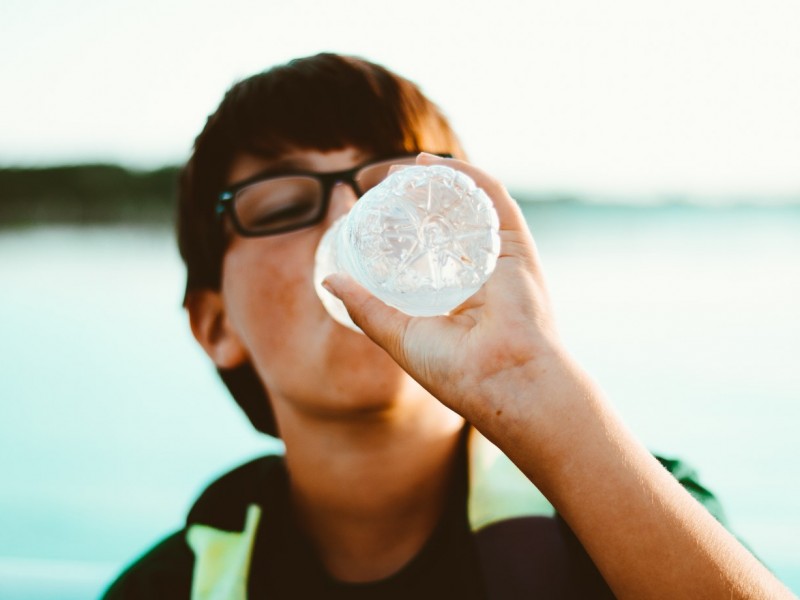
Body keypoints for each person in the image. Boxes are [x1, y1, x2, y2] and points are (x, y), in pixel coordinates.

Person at [103, 53, 793, 599]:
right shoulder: (165, 588)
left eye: (398, 192)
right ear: (214, 322)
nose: (355, 222)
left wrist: (532, 383)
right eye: (284, 202)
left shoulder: (635, 514)